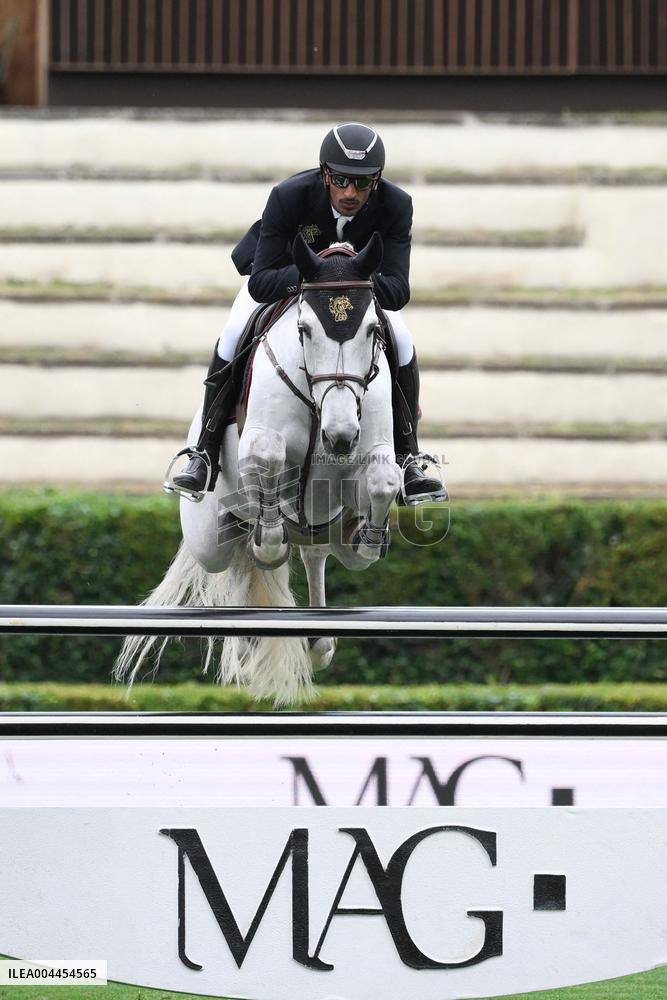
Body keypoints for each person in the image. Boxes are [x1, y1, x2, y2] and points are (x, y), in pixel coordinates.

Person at [171, 121, 446, 505]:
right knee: (234, 331)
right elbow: (261, 281)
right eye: (341, 180)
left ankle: (409, 457)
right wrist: (317, 276)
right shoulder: (288, 196)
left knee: (402, 338)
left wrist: (348, 280)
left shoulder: (397, 206)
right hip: (286, 274)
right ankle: (205, 450)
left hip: (357, 289)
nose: (351, 193)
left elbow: (398, 290)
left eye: (363, 183)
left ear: (377, 181)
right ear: (324, 174)